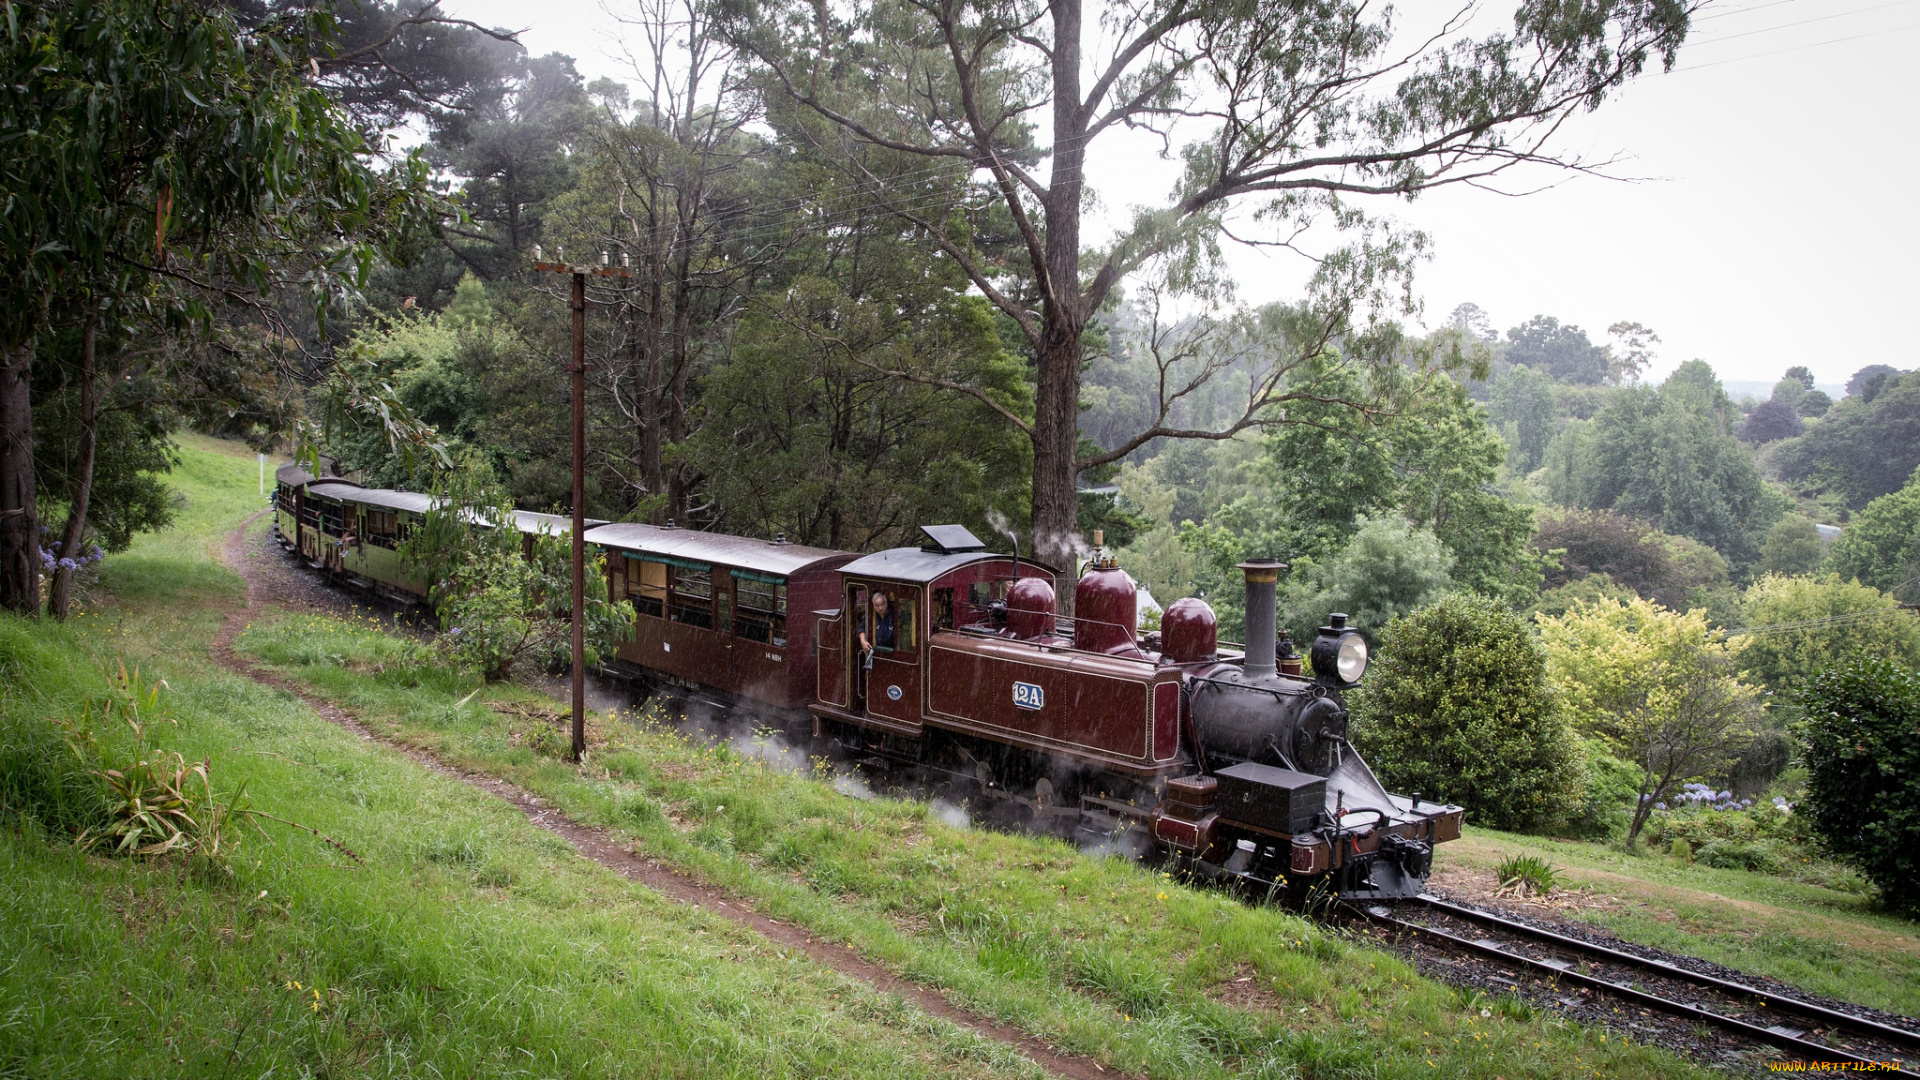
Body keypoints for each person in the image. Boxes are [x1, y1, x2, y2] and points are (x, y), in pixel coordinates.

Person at [859, 590, 895, 661]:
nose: (880, 608)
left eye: (882, 604)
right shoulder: (870, 615)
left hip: (891, 652)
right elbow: (862, 629)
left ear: (886, 603)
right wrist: (863, 641)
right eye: (877, 606)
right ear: (873, 606)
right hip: (877, 653)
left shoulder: (893, 615)